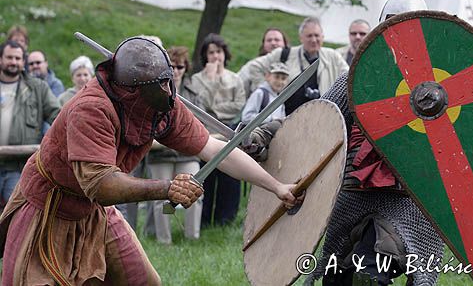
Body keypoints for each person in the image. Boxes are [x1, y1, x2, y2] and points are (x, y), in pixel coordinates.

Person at [0, 36, 298, 285]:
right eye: (161, 87)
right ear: (132, 91)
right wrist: (167, 188)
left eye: (169, 83)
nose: (169, 92)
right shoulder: (91, 109)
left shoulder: (164, 107)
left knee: (143, 282)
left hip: (94, 213)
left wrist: (276, 187)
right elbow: (101, 185)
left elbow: (213, 150)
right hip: (47, 209)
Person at [248, 0, 444, 286]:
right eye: (393, 25)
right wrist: (263, 133)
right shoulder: (358, 77)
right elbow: (317, 121)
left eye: (409, 27)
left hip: (410, 196)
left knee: (373, 267)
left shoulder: (442, 84)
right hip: (353, 190)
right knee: (336, 276)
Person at [148, 45, 205, 244]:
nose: (176, 71)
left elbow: (201, 125)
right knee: (161, 198)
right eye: (171, 66)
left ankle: (192, 237)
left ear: (185, 68)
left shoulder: (193, 93)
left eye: (180, 67)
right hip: (160, 156)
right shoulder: (154, 91)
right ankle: (165, 240)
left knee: (195, 191)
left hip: (187, 154)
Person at [191, 33, 247, 227]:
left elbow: (238, 104)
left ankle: (226, 218)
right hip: (206, 130)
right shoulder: (197, 80)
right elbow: (199, 105)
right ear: (205, 56)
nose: (216, 56)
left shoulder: (235, 78)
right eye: (211, 52)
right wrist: (212, 80)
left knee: (230, 173)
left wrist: (214, 110)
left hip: (228, 128)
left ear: (225, 53)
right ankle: (205, 218)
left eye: (219, 51)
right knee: (208, 173)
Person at [244, 17, 349, 115]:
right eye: (309, 36)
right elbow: (255, 67)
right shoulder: (284, 54)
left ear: (323, 37)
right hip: (286, 116)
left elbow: (348, 78)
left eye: (317, 35)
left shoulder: (333, 56)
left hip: (321, 115)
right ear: (301, 38)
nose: (313, 40)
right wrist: (268, 91)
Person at [0, 40, 60, 204]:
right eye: (9, 57)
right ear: (1, 59)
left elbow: (58, 117)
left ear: (23, 62)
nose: (13, 62)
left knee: (16, 217)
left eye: (18, 58)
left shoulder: (38, 88)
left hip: (20, 167)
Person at [238, 27, 289, 97]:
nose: (273, 43)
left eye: (277, 40)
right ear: (263, 44)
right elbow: (239, 86)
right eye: (269, 40)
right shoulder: (253, 65)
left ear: (284, 43)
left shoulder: (291, 64)